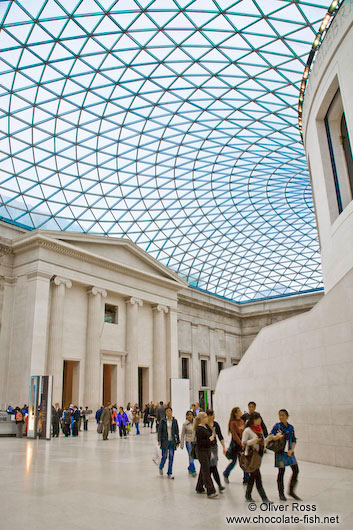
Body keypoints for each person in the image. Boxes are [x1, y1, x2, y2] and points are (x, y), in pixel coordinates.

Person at [242, 412, 282, 504]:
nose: (260, 420)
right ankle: (264, 499)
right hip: (251, 457)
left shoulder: (259, 429)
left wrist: (270, 438)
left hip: (258, 456)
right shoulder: (247, 430)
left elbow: (262, 441)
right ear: (253, 420)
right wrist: (254, 441)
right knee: (258, 478)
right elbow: (244, 443)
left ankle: (248, 495)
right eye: (258, 419)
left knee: (253, 477)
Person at [271, 409, 301, 501]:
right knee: (281, 472)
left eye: (283, 415)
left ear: (287, 416)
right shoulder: (277, 426)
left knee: (296, 470)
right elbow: (270, 437)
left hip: (289, 452)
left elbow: (294, 439)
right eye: (279, 415)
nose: (281, 417)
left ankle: (291, 491)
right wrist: (276, 437)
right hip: (280, 453)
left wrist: (292, 450)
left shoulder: (291, 427)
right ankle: (281, 493)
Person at [241, 402, 268, 484]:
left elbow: (264, 429)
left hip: (258, 450)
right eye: (250, 407)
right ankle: (246, 479)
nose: (251, 408)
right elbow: (245, 441)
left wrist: (268, 438)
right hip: (250, 450)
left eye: (253, 407)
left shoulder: (259, 426)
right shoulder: (246, 420)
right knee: (249, 465)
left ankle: (250, 487)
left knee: (255, 468)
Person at [194, 412, 218, 498]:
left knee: (203, 469)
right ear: (201, 419)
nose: (207, 418)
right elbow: (200, 443)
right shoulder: (199, 429)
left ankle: (199, 487)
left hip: (207, 450)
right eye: (205, 417)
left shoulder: (206, 427)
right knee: (206, 471)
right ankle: (211, 491)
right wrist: (210, 439)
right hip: (201, 451)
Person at [223, 407, 245, 484]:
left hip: (243, 443)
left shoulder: (242, 421)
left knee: (244, 461)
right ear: (235, 413)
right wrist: (240, 443)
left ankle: (246, 478)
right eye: (239, 411)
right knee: (234, 461)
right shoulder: (233, 423)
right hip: (236, 445)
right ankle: (226, 473)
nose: (241, 412)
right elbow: (234, 435)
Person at [206, 409, 226, 493]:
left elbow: (220, 436)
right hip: (207, 448)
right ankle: (218, 485)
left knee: (212, 467)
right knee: (212, 467)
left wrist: (224, 447)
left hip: (214, 448)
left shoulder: (216, 424)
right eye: (211, 415)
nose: (213, 416)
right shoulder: (205, 425)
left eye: (213, 414)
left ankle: (204, 483)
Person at [158, 406, 180, 479]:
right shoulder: (163, 421)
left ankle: (169, 472)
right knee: (164, 456)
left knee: (171, 457)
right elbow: (160, 431)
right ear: (165, 413)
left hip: (172, 441)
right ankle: (161, 466)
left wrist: (178, 441)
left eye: (170, 411)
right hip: (165, 441)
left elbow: (177, 431)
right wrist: (159, 440)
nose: (168, 413)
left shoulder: (174, 421)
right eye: (167, 411)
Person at [180, 410, 196, 476]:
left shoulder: (196, 423)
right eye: (188, 415)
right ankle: (193, 470)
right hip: (188, 442)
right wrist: (182, 444)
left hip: (194, 442)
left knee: (193, 456)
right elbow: (182, 434)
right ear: (186, 416)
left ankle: (190, 467)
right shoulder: (185, 424)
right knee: (191, 455)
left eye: (191, 415)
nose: (190, 416)